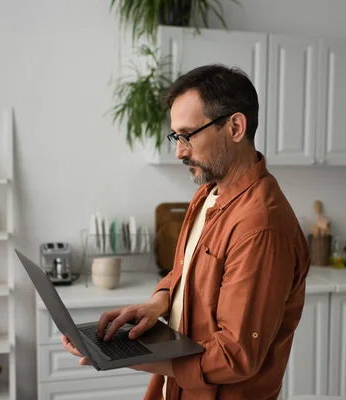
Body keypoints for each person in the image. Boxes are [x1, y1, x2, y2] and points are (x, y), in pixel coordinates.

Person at [61, 64, 310, 400]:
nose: (179, 151)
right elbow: (187, 271)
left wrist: (132, 356)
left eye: (188, 135)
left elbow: (235, 356)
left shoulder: (260, 227)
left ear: (235, 126)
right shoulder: (207, 194)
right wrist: (157, 303)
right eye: (176, 136)